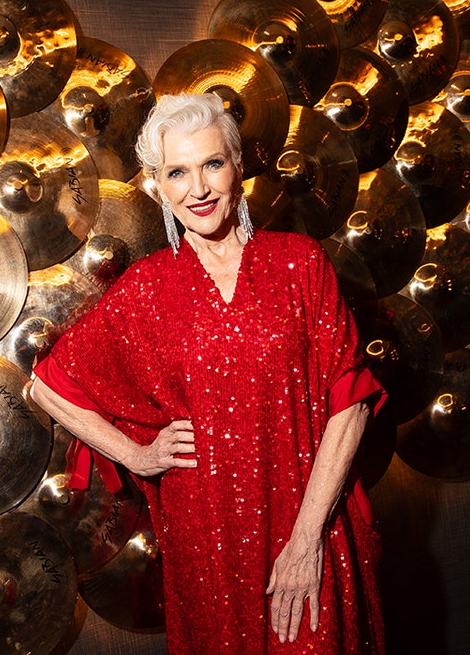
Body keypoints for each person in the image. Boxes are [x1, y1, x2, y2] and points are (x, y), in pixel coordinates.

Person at [29, 93, 385, 653]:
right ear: (158, 185)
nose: (198, 189)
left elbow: (352, 402)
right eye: (177, 172)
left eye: (212, 164)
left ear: (238, 167)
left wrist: (306, 541)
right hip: (207, 537)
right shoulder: (146, 288)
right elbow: (47, 384)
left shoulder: (299, 262)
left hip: (308, 520)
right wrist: (136, 454)